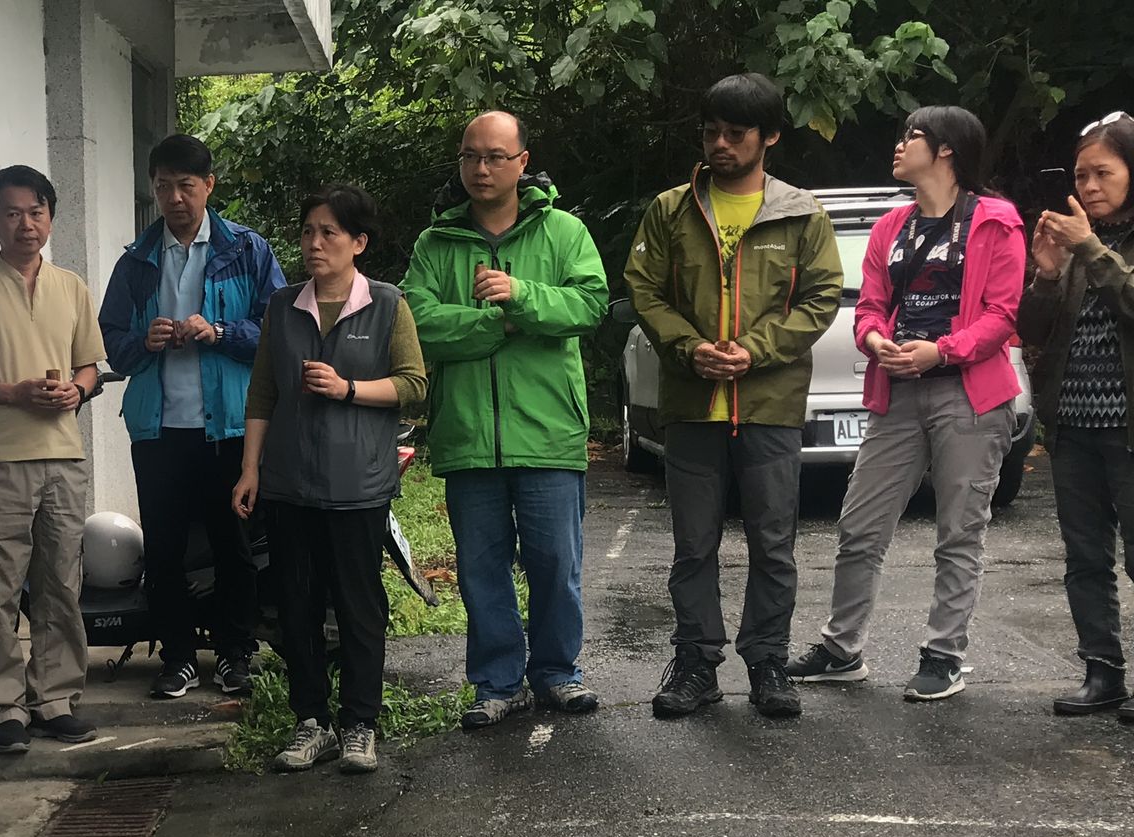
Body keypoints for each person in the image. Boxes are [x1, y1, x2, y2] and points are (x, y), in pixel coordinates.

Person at [624, 73, 842, 719]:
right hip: (692, 407)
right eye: (711, 132)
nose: (720, 144)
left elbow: (821, 297)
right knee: (693, 545)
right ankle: (696, 662)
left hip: (769, 406)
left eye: (736, 133)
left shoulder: (801, 213)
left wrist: (756, 349)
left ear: (769, 137)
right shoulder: (670, 210)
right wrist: (689, 346)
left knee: (773, 544)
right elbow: (644, 289)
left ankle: (768, 662)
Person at [788, 108, 1024, 701]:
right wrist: (874, 341)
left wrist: (939, 351)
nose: (899, 146)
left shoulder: (995, 221)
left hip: (968, 392)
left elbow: (1002, 315)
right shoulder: (892, 225)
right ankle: (841, 649)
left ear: (946, 150)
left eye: (911, 136)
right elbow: (870, 306)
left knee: (959, 530)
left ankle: (944, 656)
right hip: (896, 390)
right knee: (860, 524)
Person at [403, 110, 609, 730]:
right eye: (470, 156)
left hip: (548, 431)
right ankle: (497, 683)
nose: (481, 168)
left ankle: (558, 673)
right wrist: (497, 324)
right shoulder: (436, 243)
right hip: (467, 434)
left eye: (495, 156)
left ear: (522, 162)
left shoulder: (564, 231)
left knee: (555, 564)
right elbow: (416, 324)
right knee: (480, 569)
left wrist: (522, 296)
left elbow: (590, 305)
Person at [231, 184, 427, 775]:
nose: (314, 244)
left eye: (329, 233)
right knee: (297, 606)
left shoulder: (387, 304)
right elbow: (262, 393)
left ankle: (360, 723)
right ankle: (311, 721)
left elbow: (414, 386)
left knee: (359, 607)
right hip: (289, 483)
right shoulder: (282, 306)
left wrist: (347, 389)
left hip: (358, 486)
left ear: (358, 243)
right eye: (308, 232)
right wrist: (250, 469)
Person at [98, 134, 285, 699]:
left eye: (185, 185)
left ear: (209, 185)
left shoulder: (246, 250)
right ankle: (177, 658)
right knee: (164, 548)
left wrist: (220, 331)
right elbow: (112, 338)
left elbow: (278, 331)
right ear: (153, 189)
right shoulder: (136, 260)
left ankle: (234, 654)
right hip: (158, 429)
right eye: (163, 187)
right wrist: (144, 341)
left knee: (233, 546)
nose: (175, 198)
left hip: (228, 426)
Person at [0, 166, 109, 753]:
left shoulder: (72, 286)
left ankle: (55, 699)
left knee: (61, 582)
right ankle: (5, 707)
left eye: (37, 212)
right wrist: (13, 393)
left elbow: (89, 364)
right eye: (12, 213)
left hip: (64, 455)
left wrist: (77, 391)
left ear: (51, 218)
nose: (26, 224)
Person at [1019, 112, 1134, 717]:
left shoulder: (1096, 244)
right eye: (1081, 174)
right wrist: (1045, 274)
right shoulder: (1078, 243)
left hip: (1128, 428)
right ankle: (1102, 671)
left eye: (1103, 173)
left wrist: (1090, 248)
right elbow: (1032, 332)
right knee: (1086, 557)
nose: (1088, 186)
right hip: (1072, 424)